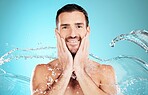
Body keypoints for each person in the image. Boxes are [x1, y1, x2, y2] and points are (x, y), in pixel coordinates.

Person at [31, 4, 117, 95]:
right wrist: (67, 70)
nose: (72, 34)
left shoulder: (105, 72)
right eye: (65, 27)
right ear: (57, 33)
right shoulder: (43, 71)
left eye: (79, 26)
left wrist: (79, 69)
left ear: (87, 31)